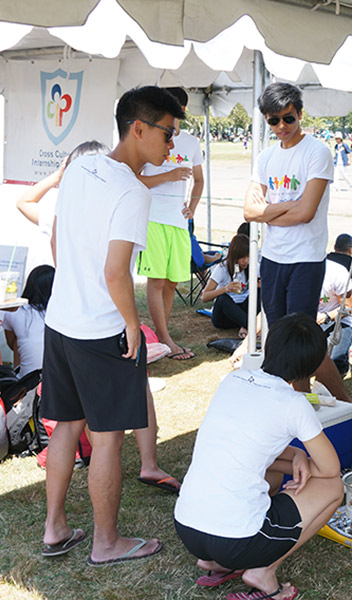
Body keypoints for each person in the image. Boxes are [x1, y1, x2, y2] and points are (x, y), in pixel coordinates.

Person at [40, 86, 183, 565]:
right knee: (107, 438)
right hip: (99, 330)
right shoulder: (131, 191)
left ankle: (55, 528)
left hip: (61, 321)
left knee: (66, 427)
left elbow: (59, 237)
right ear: (138, 128)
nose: (172, 146)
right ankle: (106, 543)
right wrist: (130, 323)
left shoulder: (80, 165)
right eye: (168, 133)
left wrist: (72, 291)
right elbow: (117, 273)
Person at [175, 313, 342, 600]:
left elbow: (248, 446)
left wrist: (298, 456)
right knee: (334, 487)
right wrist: (302, 457)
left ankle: (216, 563)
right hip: (236, 540)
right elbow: (330, 469)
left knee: (273, 474)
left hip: (188, 529)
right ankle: (263, 570)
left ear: (269, 346)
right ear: (312, 367)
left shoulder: (233, 380)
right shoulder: (293, 403)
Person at [243, 82, 352, 413]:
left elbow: (307, 212)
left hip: (305, 259)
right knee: (277, 340)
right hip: (272, 259)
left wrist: (269, 212)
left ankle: (342, 405)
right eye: (273, 121)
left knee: (304, 339)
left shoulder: (317, 152)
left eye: (288, 119)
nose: (281, 127)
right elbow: (249, 212)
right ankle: (292, 405)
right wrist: (284, 208)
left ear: (300, 114)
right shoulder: (265, 156)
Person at [137, 87, 204, 361]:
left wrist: (192, 206)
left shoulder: (190, 143)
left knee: (172, 281)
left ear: (183, 111)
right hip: (152, 218)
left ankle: (160, 335)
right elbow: (134, 178)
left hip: (178, 222)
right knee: (156, 281)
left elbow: (199, 180)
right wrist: (169, 176)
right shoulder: (149, 138)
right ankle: (164, 339)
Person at [16, 141, 110, 266]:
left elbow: (24, 202)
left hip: (65, 285)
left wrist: (58, 175)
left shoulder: (61, 214)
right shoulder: (115, 214)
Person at [201, 234, 256, 339]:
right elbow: (204, 297)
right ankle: (252, 326)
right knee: (222, 299)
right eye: (243, 257)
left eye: (248, 257)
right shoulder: (222, 268)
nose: (246, 261)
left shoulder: (253, 266)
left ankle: (245, 325)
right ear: (235, 256)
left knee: (261, 293)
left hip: (243, 310)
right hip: (224, 316)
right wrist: (225, 289)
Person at [2, 265, 54, 377]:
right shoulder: (59, 313)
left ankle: (18, 373)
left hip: (27, 382)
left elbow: (11, 343)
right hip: (55, 380)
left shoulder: (16, 311)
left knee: (18, 338)